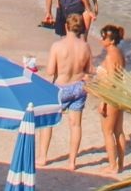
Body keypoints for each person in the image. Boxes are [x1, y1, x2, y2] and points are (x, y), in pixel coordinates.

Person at [47, 13, 94, 170]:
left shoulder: (57, 46)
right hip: (79, 86)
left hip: (61, 86)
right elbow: (89, 69)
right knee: (75, 125)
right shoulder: (85, 46)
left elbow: (50, 71)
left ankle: (42, 157)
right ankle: (72, 162)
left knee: (48, 122)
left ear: (66, 27)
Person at [96, 24, 129, 174]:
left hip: (111, 96)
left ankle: (112, 166)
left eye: (104, 37)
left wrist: (103, 101)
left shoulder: (110, 56)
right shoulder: (120, 53)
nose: (101, 40)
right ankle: (120, 165)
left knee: (107, 132)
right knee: (118, 131)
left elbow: (110, 81)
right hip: (120, 94)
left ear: (111, 40)